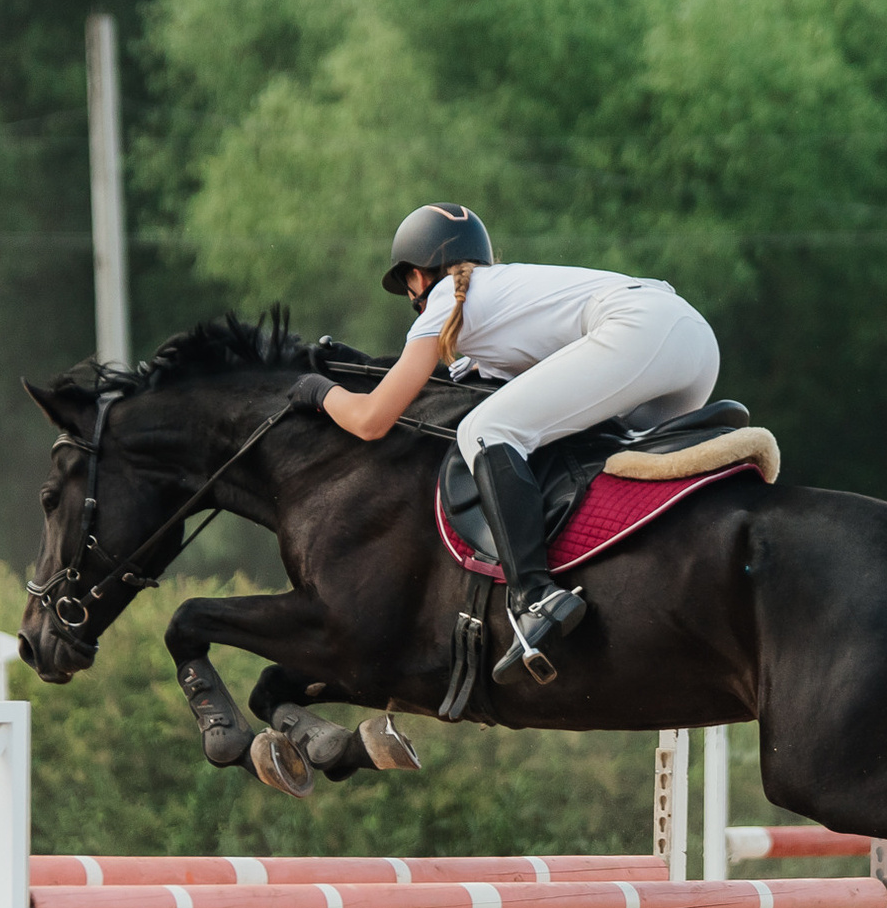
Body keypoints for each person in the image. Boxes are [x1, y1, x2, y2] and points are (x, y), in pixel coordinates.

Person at [288, 204, 719, 685]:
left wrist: (321, 392)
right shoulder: (505, 295)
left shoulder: (442, 303)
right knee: (597, 445)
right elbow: (458, 384)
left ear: (416, 273)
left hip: (640, 331)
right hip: (691, 342)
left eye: (406, 284)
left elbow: (371, 420)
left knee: (484, 432)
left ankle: (535, 594)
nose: (408, 296)